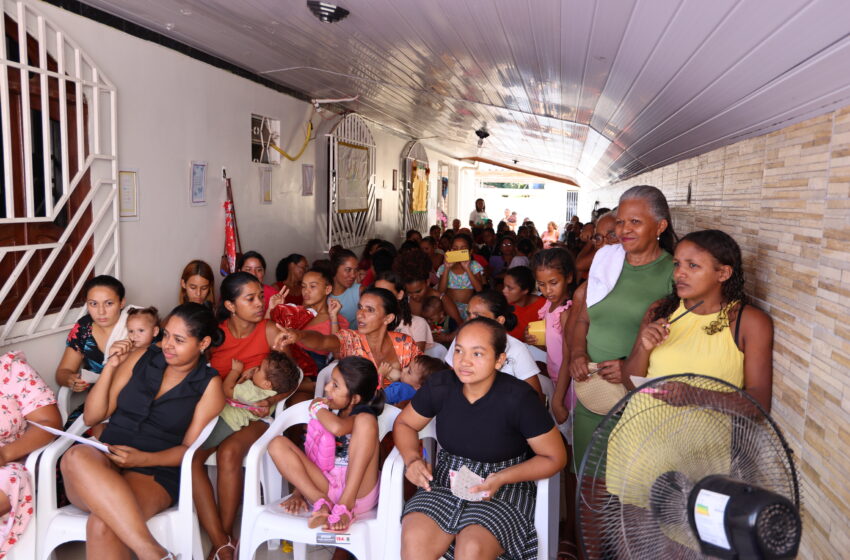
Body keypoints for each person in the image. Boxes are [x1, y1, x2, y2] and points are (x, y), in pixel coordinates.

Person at [607, 230, 773, 518]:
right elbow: (630, 380)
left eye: (693, 266)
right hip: (639, 443)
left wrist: (695, 395)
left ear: (723, 273)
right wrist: (644, 347)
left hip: (698, 456)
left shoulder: (748, 322)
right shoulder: (661, 310)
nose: (680, 274)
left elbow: (759, 403)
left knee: (686, 540)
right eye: (677, 265)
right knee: (633, 536)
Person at [60, 303, 225, 560]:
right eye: (166, 335)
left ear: (203, 343)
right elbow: (92, 416)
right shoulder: (142, 357)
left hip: (153, 472)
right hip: (106, 455)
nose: (168, 344)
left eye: (179, 339)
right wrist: (111, 366)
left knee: (102, 524)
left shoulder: (209, 385)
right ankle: (154, 552)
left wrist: (141, 459)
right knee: (75, 456)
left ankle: (151, 552)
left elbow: (189, 453)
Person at [395, 318, 566, 560]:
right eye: (459, 350)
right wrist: (413, 459)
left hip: (506, 486)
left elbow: (555, 457)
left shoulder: (519, 399)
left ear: (499, 360)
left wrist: (502, 478)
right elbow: (404, 424)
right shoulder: (440, 386)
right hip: (445, 482)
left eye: (477, 353)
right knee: (415, 540)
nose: (464, 361)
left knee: (472, 548)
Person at [568, 185, 677, 472]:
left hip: (636, 399)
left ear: (660, 226)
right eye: (620, 221)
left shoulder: (673, 274)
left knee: (629, 491)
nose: (623, 230)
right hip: (594, 395)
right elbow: (583, 318)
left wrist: (629, 366)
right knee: (589, 485)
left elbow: (674, 342)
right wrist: (577, 353)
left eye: (635, 222)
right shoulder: (606, 259)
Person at [198, 272, 293, 557]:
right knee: (190, 457)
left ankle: (224, 540)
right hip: (222, 411)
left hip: (258, 415)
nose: (259, 304)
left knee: (229, 453)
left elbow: (291, 379)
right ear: (229, 305)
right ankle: (221, 538)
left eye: (260, 297)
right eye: (249, 299)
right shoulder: (214, 336)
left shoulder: (270, 331)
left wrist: (272, 400)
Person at [269, 357, 386, 533]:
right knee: (277, 444)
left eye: (335, 385)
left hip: (358, 492)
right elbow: (313, 452)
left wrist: (316, 408)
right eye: (331, 382)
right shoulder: (330, 411)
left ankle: (346, 506)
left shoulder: (362, 415)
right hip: (326, 488)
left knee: (366, 422)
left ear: (354, 398)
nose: (326, 388)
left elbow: (338, 428)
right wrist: (298, 493)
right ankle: (320, 503)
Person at [277, 288, 423, 385]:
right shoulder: (351, 340)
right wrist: (299, 335)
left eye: (370, 310)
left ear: (388, 318)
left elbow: (424, 376)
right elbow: (322, 341)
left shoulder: (404, 344)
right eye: (360, 307)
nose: (360, 314)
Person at [0, 352, 61, 556]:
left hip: (8, 461)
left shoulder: (11, 369)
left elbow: (49, 423)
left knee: (10, 478)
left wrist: (5, 454)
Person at [444, 291, 543, 397]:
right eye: (469, 314)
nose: (470, 321)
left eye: (477, 316)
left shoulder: (516, 349)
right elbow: (452, 379)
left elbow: (535, 397)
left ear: (499, 320)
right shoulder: (461, 339)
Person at [200, 352, 302, 450]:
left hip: (225, 421)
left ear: (266, 384)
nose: (256, 369)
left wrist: (235, 371)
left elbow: (226, 390)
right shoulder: (270, 394)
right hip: (232, 424)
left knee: (201, 443)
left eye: (259, 369)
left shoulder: (253, 391)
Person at [529, 249, 576, 415]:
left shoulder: (565, 312)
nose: (547, 290)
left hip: (569, 383)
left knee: (570, 425)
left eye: (553, 283)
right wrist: (538, 341)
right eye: (542, 284)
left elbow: (568, 357)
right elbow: (554, 345)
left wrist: (557, 399)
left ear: (569, 277)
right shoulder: (550, 305)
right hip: (557, 377)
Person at [395, 250, 462, 327]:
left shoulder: (442, 299)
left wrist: (446, 338)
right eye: (409, 292)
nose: (414, 296)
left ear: (427, 282)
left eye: (418, 291)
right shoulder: (405, 299)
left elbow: (460, 326)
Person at [374, 271, 434, 352]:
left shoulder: (417, 323)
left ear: (400, 294)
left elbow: (416, 360)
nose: (380, 298)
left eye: (386, 293)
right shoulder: (369, 322)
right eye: (376, 293)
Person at [437, 233, 485, 320]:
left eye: (463, 249)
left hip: (468, 309)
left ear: (470, 251)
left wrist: (467, 268)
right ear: (450, 251)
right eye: (455, 249)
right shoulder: (444, 267)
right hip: (448, 309)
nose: (458, 252)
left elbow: (479, 289)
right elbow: (441, 291)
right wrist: (447, 268)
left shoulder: (474, 266)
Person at [381, 354, 446, 405]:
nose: (403, 370)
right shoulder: (425, 398)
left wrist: (381, 376)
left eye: (409, 372)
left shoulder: (399, 388)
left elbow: (376, 399)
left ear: (419, 386)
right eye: (407, 366)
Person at [502, 266, 545, 340]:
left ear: (525, 290)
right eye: (504, 286)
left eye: (510, 288)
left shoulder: (544, 306)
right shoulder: (502, 305)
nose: (504, 291)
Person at [328, 249, 365, 329]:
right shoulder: (323, 293)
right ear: (335, 269)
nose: (353, 275)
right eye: (348, 270)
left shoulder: (360, 291)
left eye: (355, 270)